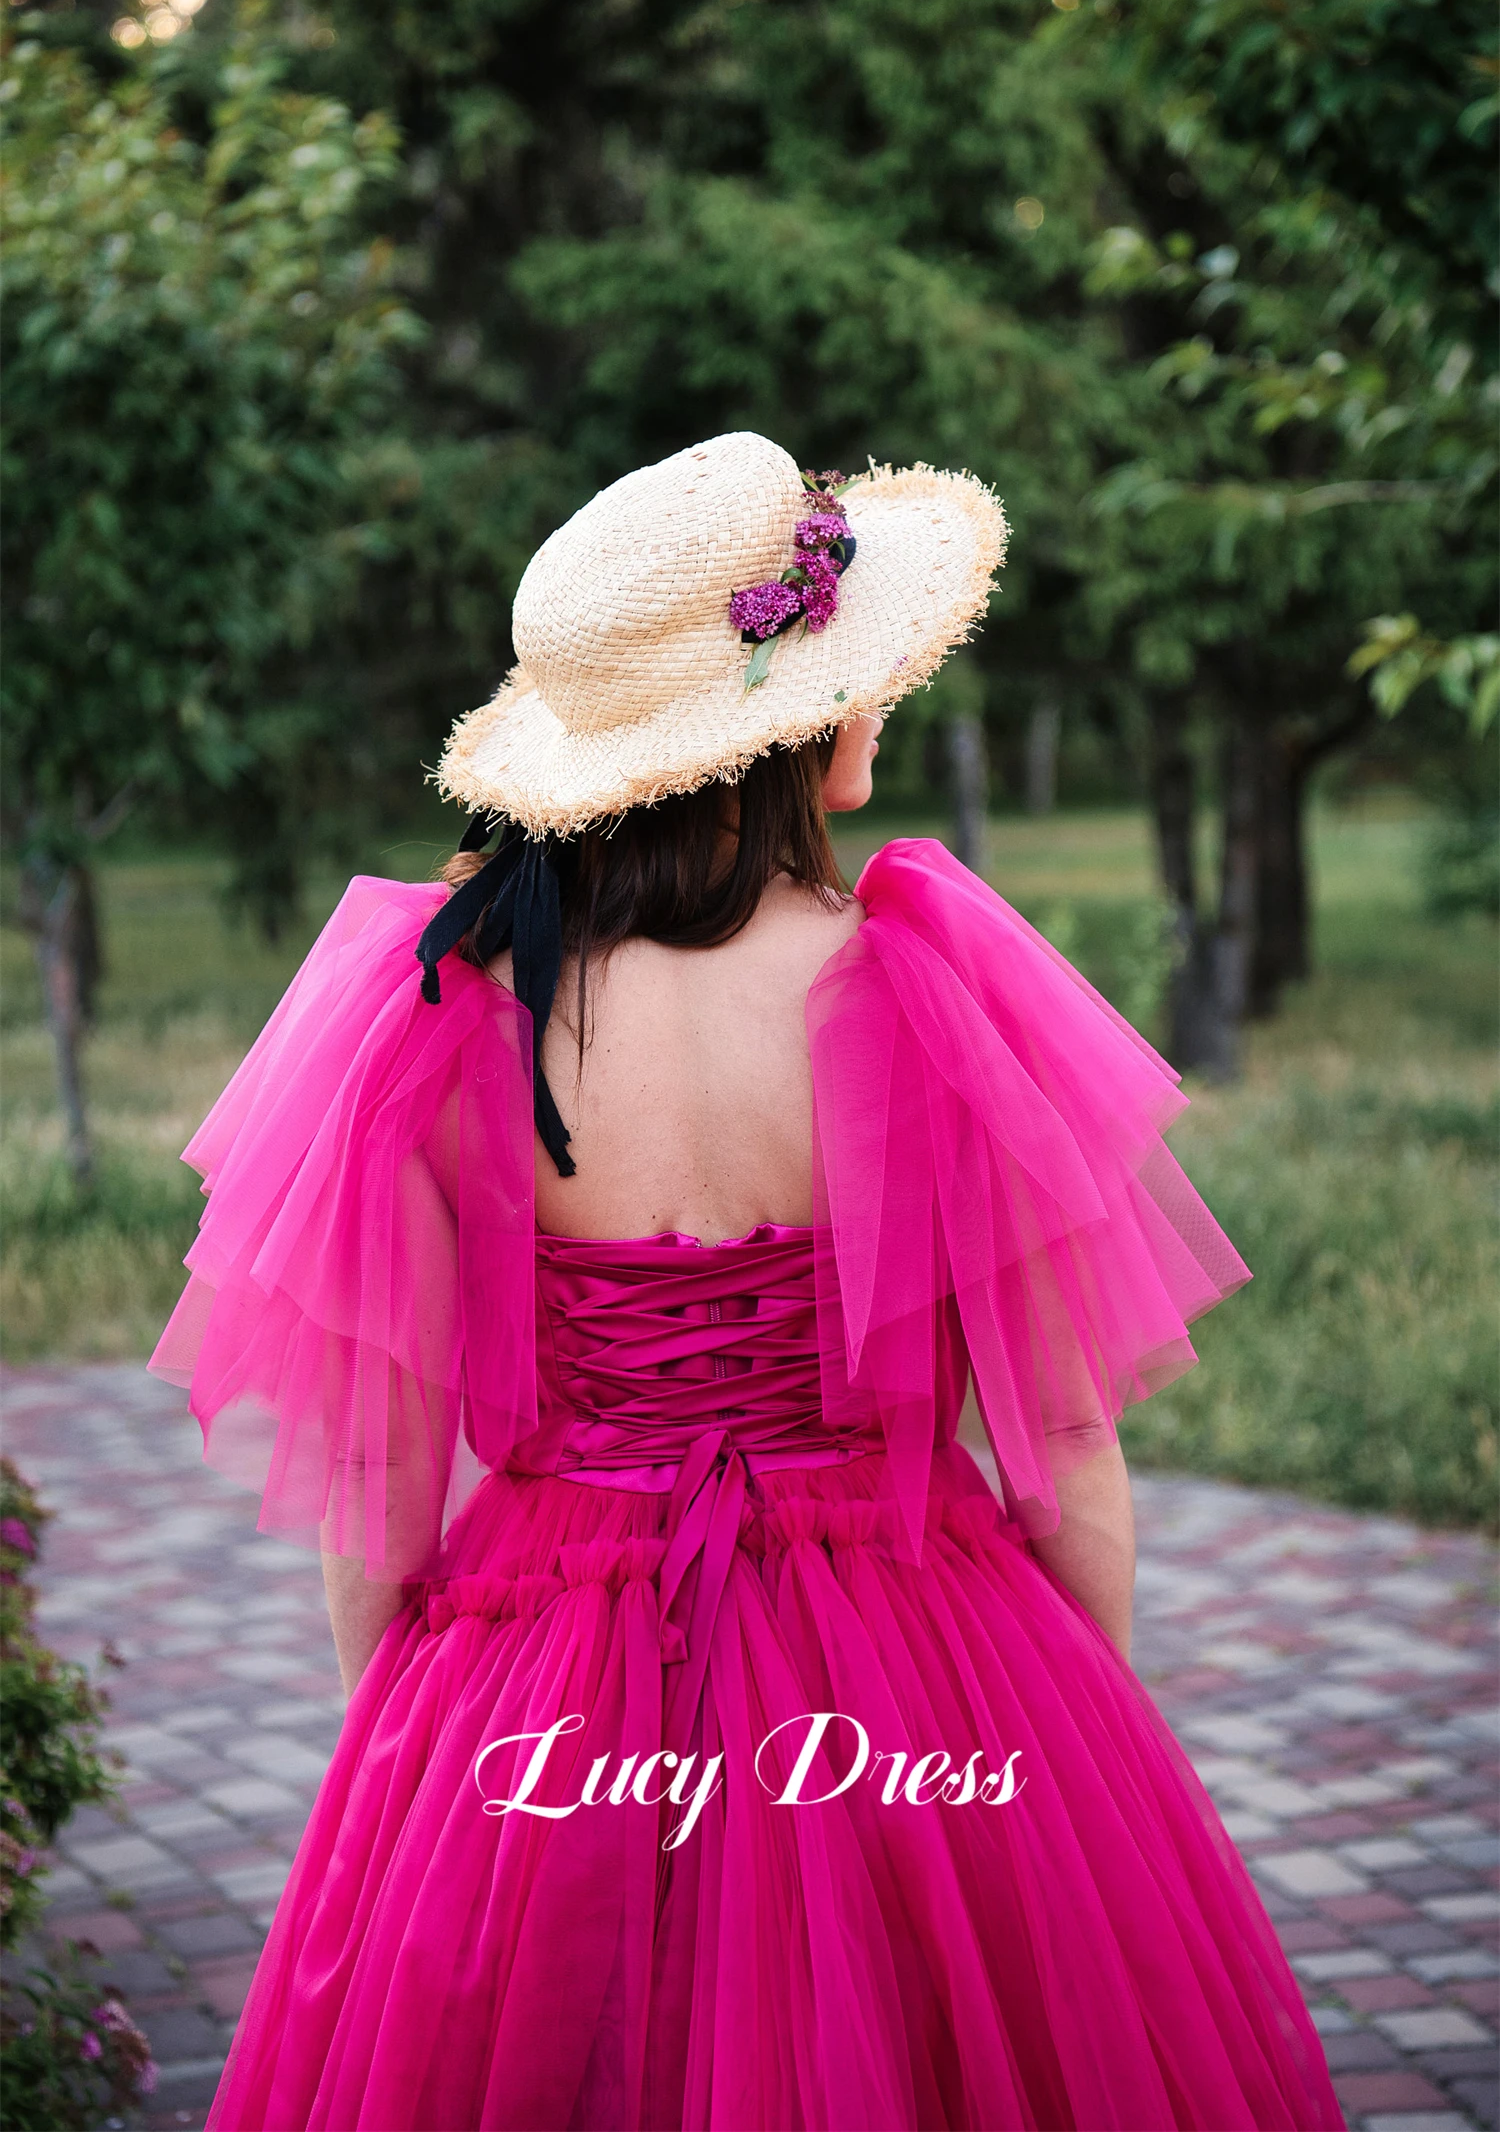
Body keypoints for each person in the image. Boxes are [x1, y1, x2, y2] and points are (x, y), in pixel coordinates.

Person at [150, 431, 1345, 2131]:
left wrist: (415, 1763)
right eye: (862, 670)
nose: (886, 699)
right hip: (915, 1652)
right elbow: (1065, 1454)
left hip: (547, 1659)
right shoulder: (919, 982)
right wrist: (1077, 1761)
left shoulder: (449, 1005)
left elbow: (383, 1499)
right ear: (780, 730)